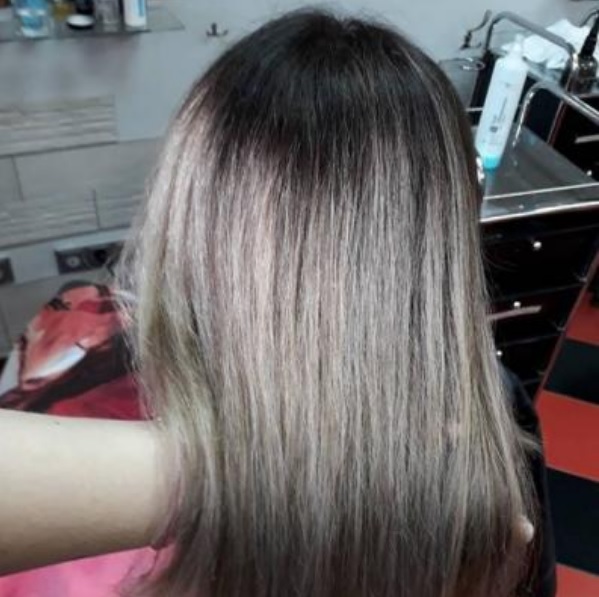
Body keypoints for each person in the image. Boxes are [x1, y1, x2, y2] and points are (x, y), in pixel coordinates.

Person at [0, 9, 555, 597]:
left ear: (187, 201)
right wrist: (287, 474)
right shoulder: (483, 432)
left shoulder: (69, 330)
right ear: (440, 236)